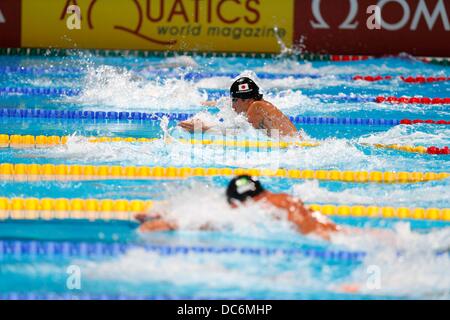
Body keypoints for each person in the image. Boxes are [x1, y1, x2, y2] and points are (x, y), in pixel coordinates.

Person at [135, 175, 340, 240]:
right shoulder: (283, 199)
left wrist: (163, 223)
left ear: (236, 203)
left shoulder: (258, 209)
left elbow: (207, 218)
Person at [178, 77, 301, 138]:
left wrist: (204, 129)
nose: (232, 105)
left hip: (295, 149)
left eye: (234, 100)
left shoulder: (256, 107)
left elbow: (244, 134)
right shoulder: (261, 105)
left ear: (247, 100)